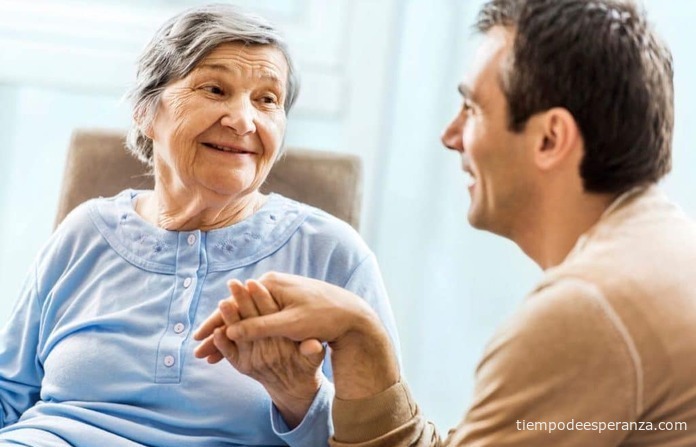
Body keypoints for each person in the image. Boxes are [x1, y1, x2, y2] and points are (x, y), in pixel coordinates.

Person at [195, 0, 696, 445]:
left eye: (472, 109)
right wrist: (361, 335)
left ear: (549, 139)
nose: (451, 135)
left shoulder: (583, 314)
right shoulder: (662, 252)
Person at [0, 4, 400, 447]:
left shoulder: (331, 253)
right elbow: (8, 394)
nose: (244, 120)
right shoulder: (85, 232)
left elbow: (383, 439)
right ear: (146, 111)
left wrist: (298, 395)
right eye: (215, 89)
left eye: (267, 99)